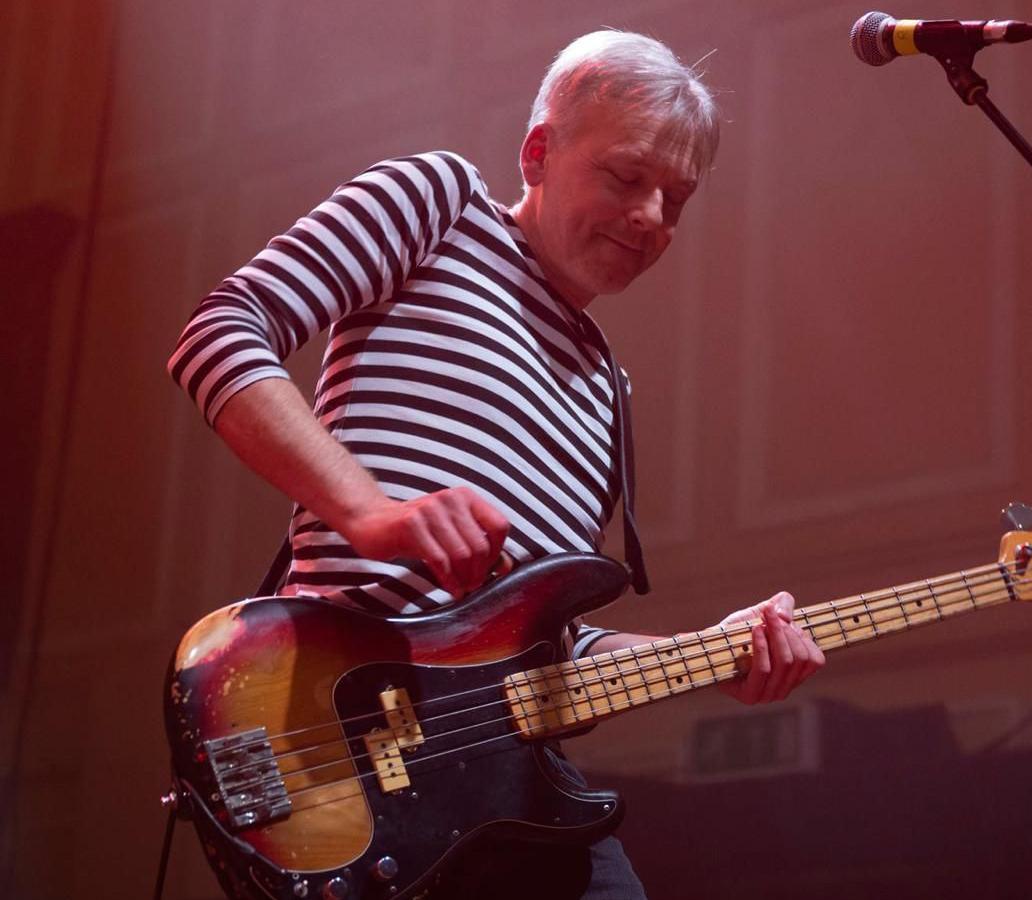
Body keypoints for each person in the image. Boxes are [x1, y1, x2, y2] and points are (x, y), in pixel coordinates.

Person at [167, 29, 825, 898]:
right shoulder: (439, 202)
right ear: (538, 152)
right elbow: (219, 333)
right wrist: (371, 513)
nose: (652, 220)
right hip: (332, 739)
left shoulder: (607, 391)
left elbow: (540, 650)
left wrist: (708, 655)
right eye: (628, 178)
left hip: (496, 794)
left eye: (677, 198)